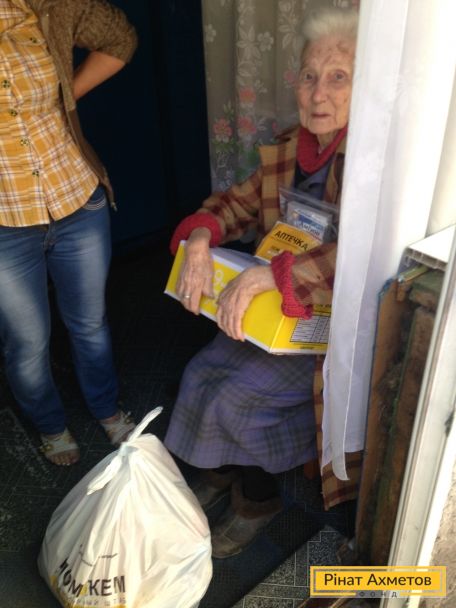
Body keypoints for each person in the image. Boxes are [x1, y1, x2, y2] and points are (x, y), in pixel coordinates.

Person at [164, 7, 361, 558]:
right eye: (309, 76)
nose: (318, 93)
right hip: (274, 309)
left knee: (239, 398)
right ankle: (220, 469)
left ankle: (258, 499)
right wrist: (199, 237)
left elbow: (361, 256)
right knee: (200, 373)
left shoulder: (371, 166)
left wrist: (274, 275)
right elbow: (234, 204)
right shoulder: (290, 148)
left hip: (326, 325)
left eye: (338, 77)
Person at [0, 0, 137, 466]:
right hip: (6, 222)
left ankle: (106, 407)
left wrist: (66, 96)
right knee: (26, 342)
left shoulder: (47, 5)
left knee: (90, 324)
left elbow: (120, 38)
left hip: (76, 198)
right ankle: (50, 424)